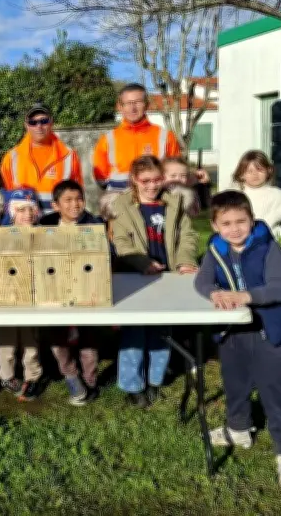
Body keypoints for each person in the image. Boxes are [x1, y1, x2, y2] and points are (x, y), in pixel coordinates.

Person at [194, 191, 281, 492]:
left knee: (275, 394)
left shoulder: (268, 247)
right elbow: (202, 280)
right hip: (233, 332)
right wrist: (214, 293)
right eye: (226, 223)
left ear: (252, 220)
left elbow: (280, 288)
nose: (235, 229)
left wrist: (246, 296)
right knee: (235, 385)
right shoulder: (215, 248)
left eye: (241, 221)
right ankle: (239, 429)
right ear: (215, 225)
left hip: (270, 332)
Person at [110, 156, 198, 408]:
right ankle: (133, 385)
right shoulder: (123, 206)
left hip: (167, 278)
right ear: (134, 180)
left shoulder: (174, 203)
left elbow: (187, 236)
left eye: (157, 179)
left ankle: (154, 381)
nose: (152, 185)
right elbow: (121, 242)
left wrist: (185, 261)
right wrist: (142, 263)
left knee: (162, 333)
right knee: (134, 334)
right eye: (145, 180)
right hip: (136, 279)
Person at [38, 180, 105, 405]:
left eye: (79, 199)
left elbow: (106, 253)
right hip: (56, 290)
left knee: (89, 337)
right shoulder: (45, 225)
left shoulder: (94, 224)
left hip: (87, 288)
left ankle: (90, 379)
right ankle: (70, 375)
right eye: (68, 200)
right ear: (55, 205)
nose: (75, 204)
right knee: (57, 336)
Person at [94, 83, 181, 216]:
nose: (132, 108)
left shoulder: (165, 136)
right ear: (120, 107)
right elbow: (101, 178)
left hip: (156, 205)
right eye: (128, 103)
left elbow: (176, 173)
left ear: (147, 104)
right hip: (119, 206)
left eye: (138, 102)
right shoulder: (107, 139)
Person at [0, 188, 45, 401]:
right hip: (7, 292)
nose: (27, 214)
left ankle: (32, 375)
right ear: (12, 212)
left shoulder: (42, 234)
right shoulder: (2, 234)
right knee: (6, 336)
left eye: (30, 210)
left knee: (30, 338)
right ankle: (6, 375)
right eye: (21, 210)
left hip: (32, 293)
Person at [0, 103, 84, 213]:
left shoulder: (69, 156)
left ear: (51, 122)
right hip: (25, 221)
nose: (38, 126)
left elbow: (78, 195)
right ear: (26, 125)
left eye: (44, 121)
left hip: (58, 220)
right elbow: (5, 198)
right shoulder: (11, 157)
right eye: (33, 122)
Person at [231, 150, 281, 239]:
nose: (255, 174)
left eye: (259, 170)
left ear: (269, 170)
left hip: (267, 239)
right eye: (249, 171)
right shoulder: (235, 195)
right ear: (241, 174)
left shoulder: (277, 195)